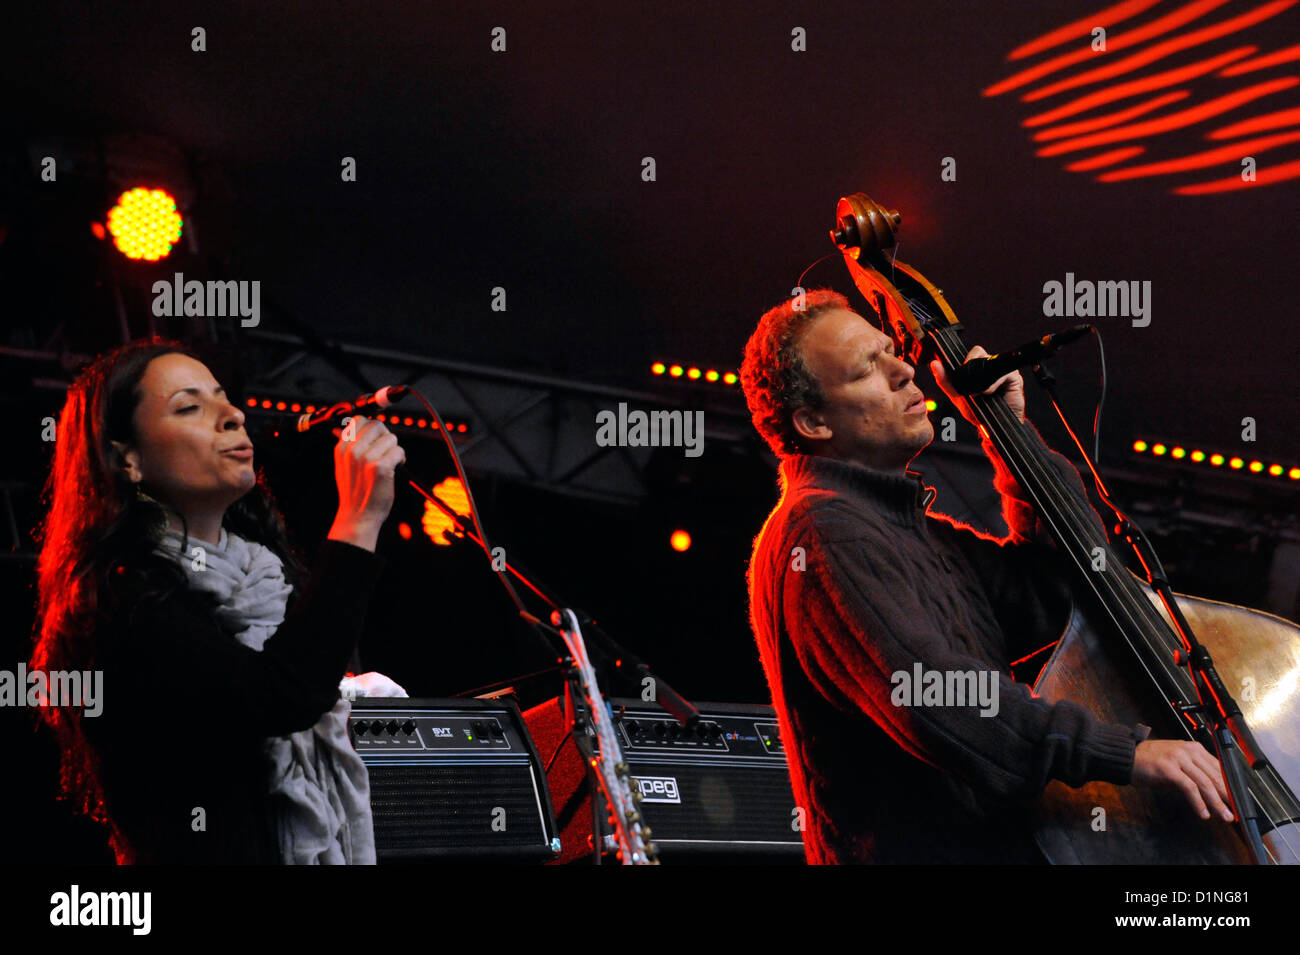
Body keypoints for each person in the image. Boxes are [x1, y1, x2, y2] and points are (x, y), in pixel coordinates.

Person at [740, 290, 1235, 864]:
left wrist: (1011, 433)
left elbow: (1059, 593)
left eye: (890, 352)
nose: (905, 370)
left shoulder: (915, 532)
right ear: (812, 421)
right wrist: (1125, 753)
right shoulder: (821, 531)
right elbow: (936, 699)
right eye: (865, 370)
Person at [29, 337, 408, 864]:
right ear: (127, 459)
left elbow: (303, 684)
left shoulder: (272, 578)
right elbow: (279, 697)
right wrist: (358, 521)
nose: (232, 416)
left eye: (225, 398)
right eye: (189, 407)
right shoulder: (117, 599)